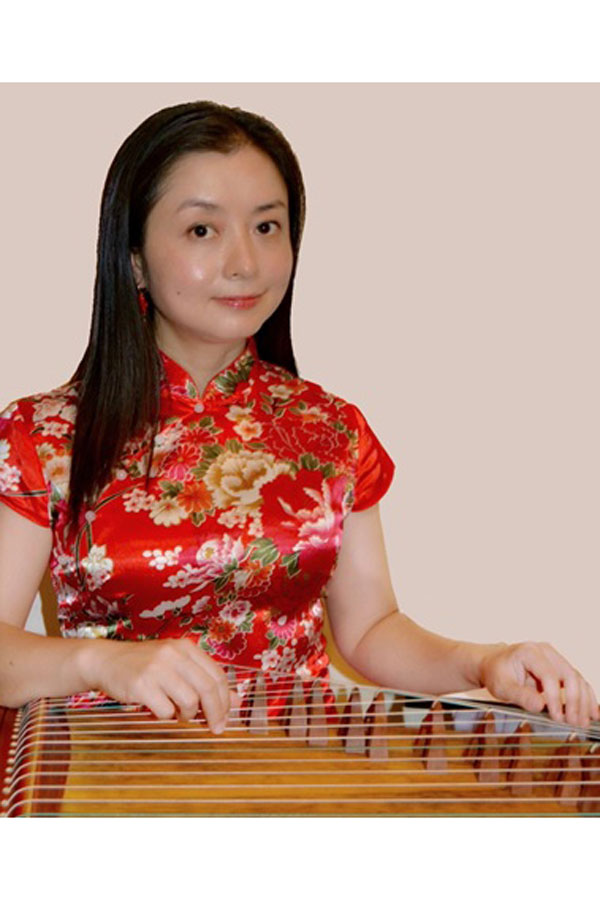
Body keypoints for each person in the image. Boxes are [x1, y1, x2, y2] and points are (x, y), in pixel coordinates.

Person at [0, 100, 597, 736]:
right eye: (203, 230)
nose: (245, 264)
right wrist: (103, 662)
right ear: (135, 258)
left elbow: (370, 630)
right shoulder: (45, 433)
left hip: (295, 772)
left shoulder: (330, 428)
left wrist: (485, 661)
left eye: (266, 227)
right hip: (110, 776)